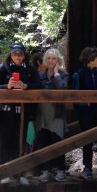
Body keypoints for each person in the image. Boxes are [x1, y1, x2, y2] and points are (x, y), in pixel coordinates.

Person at [0, 42, 44, 185]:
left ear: (24, 55)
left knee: (20, 142)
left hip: (23, 112)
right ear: (10, 54)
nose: (17, 57)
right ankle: (4, 173)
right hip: (5, 112)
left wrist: (26, 86)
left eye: (20, 54)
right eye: (15, 54)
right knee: (5, 142)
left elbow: (40, 85)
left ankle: (19, 173)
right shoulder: (3, 68)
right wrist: (6, 87)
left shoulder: (30, 69)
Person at [71, 47, 97, 179]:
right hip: (86, 112)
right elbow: (75, 96)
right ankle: (87, 168)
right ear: (90, 58)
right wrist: (83, 104)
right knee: (87, 139)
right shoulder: (79, 74)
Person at [34, 48, 69, 182]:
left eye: (53, 58)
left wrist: (56, 75)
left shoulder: (63, 74)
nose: (50, 61)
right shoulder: (41, 75)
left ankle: (60, 169)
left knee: (57, 140)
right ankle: (46, 170)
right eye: (48, 58)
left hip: (57, 113)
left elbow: (62, 88)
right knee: (44, 141)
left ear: (58, 60)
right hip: (42, 112)